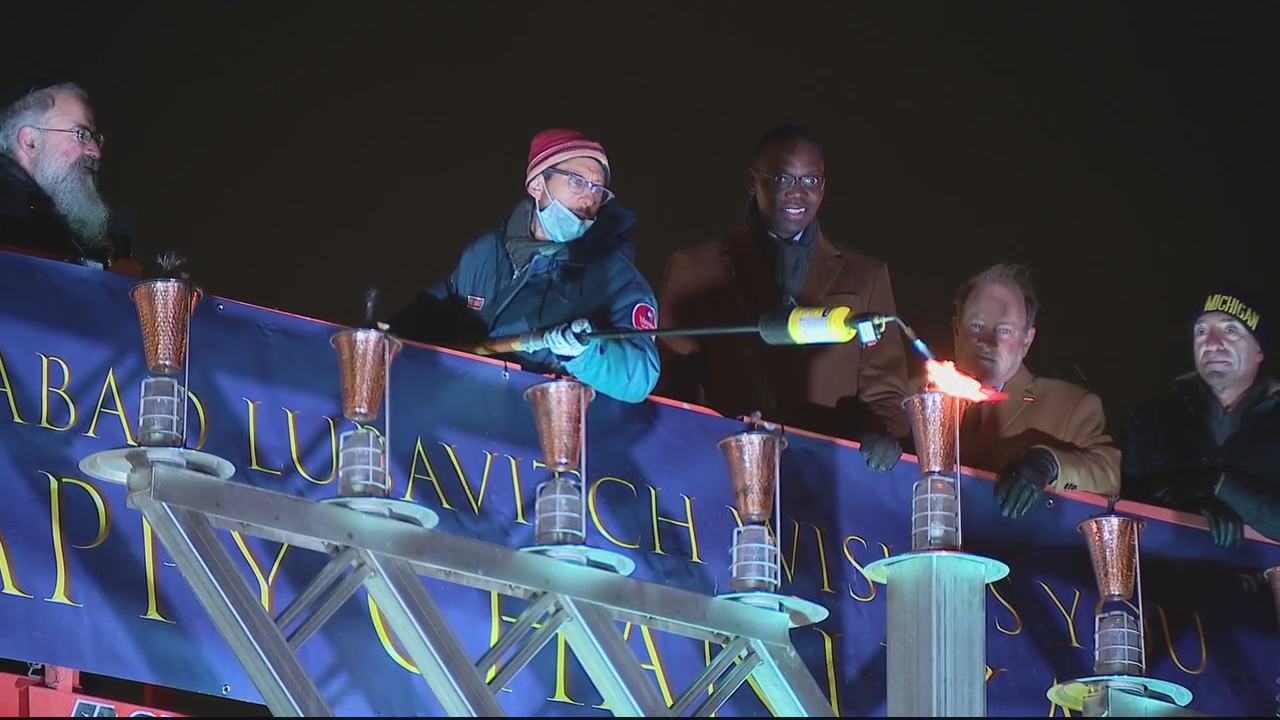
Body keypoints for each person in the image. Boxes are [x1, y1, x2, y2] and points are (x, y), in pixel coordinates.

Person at [655, 125, 909, 471]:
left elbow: (884, 393)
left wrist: (882, 432)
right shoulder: (696, 269)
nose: (797, 193)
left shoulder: (866, 276)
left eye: (810, 180)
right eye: (781, 178)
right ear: (751, 182)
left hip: (833, 477)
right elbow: (674, 388)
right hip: (729, 470)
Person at [389, 129, 659, 404]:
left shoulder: (616, 278)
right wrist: (390, 337)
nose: (589, 198)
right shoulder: (485, 253)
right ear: (537, 184)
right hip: (457, 419)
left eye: (598, 189)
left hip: (538, 432)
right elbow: (441, 307)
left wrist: (583, 354)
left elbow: (640, 378)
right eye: (577, 181)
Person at [950, 262, 1120, 517]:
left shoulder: (1071, 406)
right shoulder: (914, 395)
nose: (988, 341)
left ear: (1026, 341)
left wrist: (1048, 464)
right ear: (956, 330)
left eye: (1004, 330)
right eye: (976, 325)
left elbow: (1108, 476)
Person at [1121, 288, 1280, 547]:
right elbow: (1120, 507)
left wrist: (1221, 486)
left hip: (1262, 584)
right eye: (1202, 332)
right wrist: (1192, 510)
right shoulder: (1149, 422)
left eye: (1231, 331)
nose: (1213, 343)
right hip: (1165, 580)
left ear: (1259, 350)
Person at [0, 79, 138, 276]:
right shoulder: (9, 224)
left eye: (95, 138)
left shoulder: (57, 226)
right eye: (81, 134)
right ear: (30, 141)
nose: (96, 152)